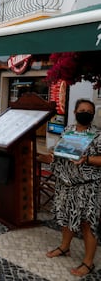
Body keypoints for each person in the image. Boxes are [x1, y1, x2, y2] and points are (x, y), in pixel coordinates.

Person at [45, 99, 101, 277]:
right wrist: (55, 152)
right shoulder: (68, 130)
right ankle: (64, 247)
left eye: (89, 110)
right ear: (75, 112)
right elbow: (61, 149)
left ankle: (88, 262)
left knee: (87, 223)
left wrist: (87, 159)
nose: (85, 112)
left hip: (87, 187)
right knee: (66, 216)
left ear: (93, 115)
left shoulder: (98, 135)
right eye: (82, 109)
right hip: (66, 184)